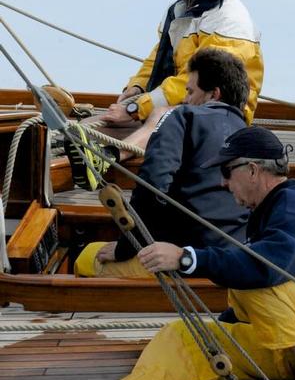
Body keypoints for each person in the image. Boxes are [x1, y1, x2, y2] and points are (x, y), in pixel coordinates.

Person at [30, 126, 295, 380]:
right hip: (294, 340)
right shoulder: (271, 211)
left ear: (253, 170)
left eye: (226, 172)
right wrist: (219, 333)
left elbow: (266, 269)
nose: (222, 183)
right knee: (185, 336)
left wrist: (186, 257)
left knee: (249, 272)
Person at [72, 48, 251, 277]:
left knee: (86, 257)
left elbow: (153, 186)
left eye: (190, 91)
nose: (185, 99)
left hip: (180, 261)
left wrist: (124, 248)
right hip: (229, 262)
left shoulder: (184, 117)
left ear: (213, 94)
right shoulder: (249, 135)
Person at [101, 0, 263, 131]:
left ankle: (115, 154)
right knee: (93, 127)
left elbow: (198, 80)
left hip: (218, 120)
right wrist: (137, 86)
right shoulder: (181, 12)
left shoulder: (229, 19)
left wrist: (137, 108)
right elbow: (157, 60)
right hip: (184, 107)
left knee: (152, 120)